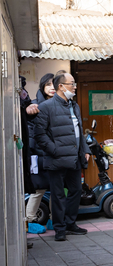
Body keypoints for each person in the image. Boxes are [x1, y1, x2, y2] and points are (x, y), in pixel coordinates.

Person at [33, 72, 91, 241]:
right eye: (72, 84)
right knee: (58, 194)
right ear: (61, 86)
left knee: (76, 190)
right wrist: (55, 150)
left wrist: (85, 149)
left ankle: (70, 223)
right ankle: (59, 229)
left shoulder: (75, 106)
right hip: (56, 159)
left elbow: (79, 130)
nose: (74, 87)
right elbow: (39, 135)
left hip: (74, 157)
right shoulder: (46, 107)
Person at [25, 73, 56, 224]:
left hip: (55, 154)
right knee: (39, 189)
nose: (52, 88)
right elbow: (31, 133)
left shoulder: (61, 104)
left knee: (56, 189)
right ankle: (30, 220)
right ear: (43, 87)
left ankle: (54, 219)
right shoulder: (34, 105)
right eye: (48, 85)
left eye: (54, 84)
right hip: (38, 154)